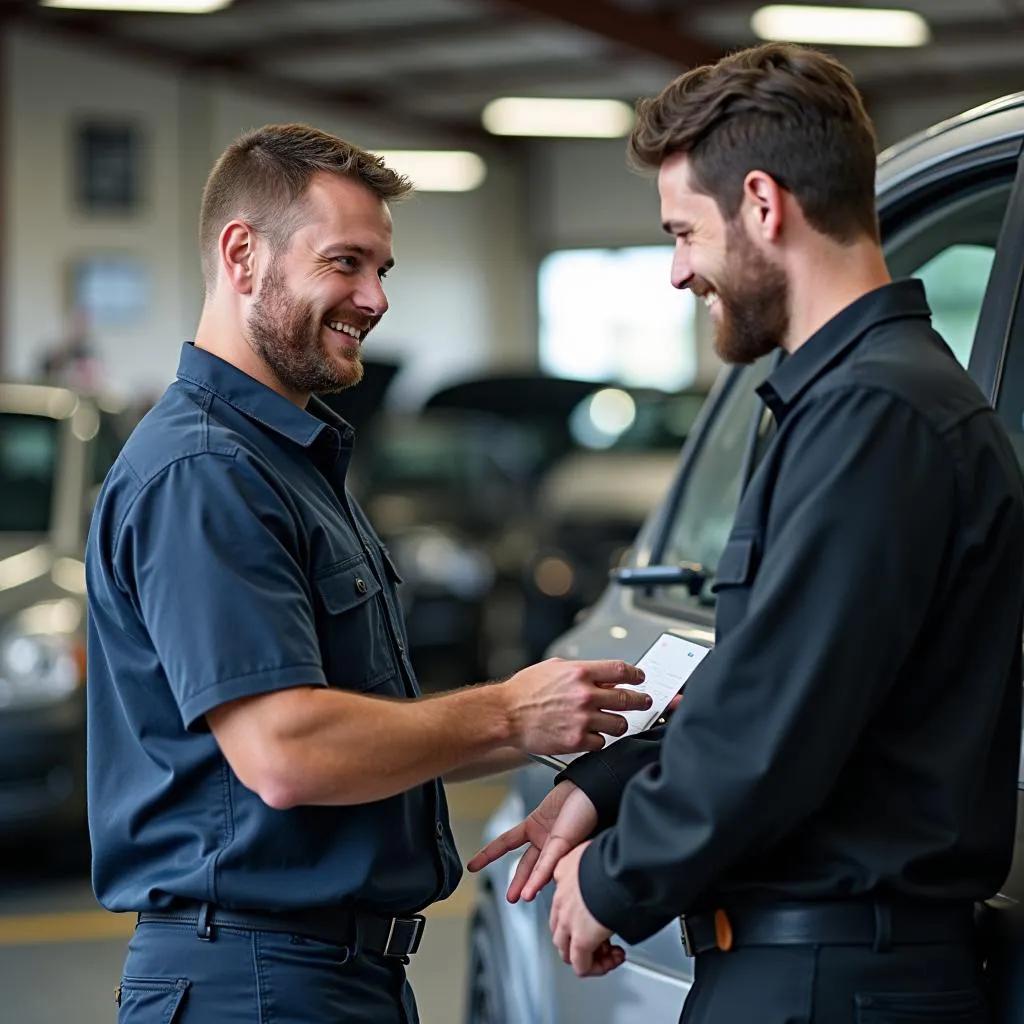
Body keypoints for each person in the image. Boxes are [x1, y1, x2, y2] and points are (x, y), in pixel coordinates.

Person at [469, 42, 1024, 1023]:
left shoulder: (877, 419)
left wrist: (616, 878)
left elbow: (776, 721)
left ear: (763, 205)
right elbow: (769, 668)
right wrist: (611, 782)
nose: (679, 271)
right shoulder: (845, 409)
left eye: (683, 233)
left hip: (833, 979)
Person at [84, 123, 654, 1024]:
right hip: (259, 984)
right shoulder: (204, 472)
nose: (374, 298)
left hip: (325, 977)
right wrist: (509, 710)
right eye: (346, 263)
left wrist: (569, 748)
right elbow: (286, 752)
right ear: (242, 256)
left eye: (382, 269)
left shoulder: (286, 462)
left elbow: (368, 729)